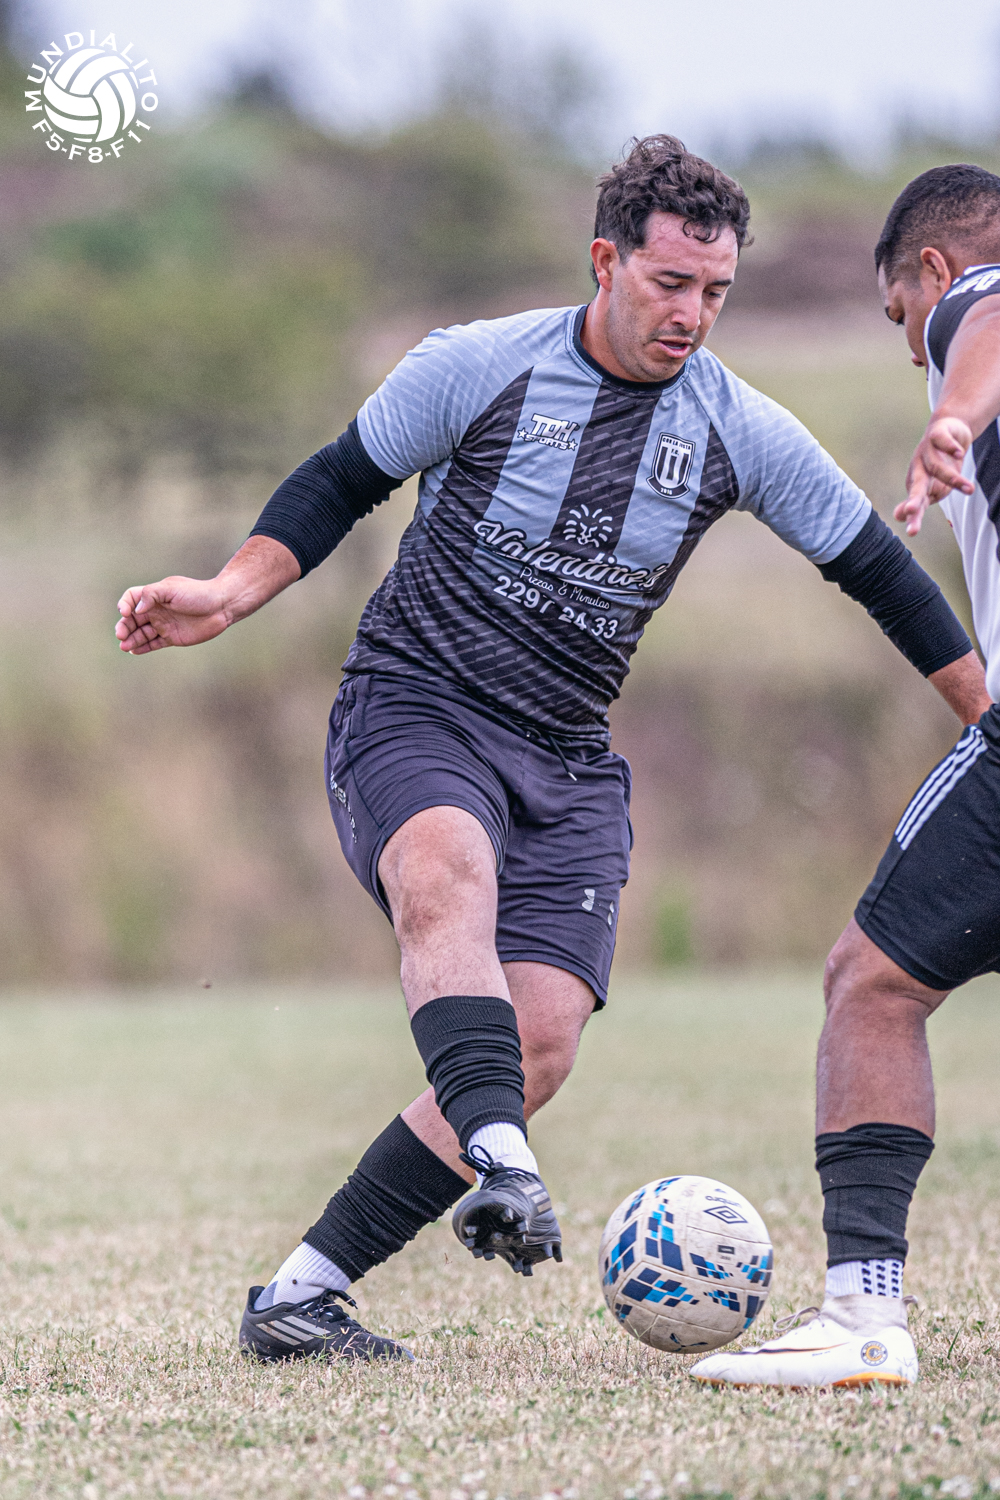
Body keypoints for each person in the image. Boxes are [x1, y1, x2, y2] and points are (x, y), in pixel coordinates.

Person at [115, 137, 986, 1365]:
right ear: (604, 261)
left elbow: (882, 578)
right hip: (416, 707)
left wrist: (984, 717)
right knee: (447, 882)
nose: (691, 314)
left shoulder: (737, 427)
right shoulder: (478, 366)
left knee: (538, 1041)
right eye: (669, 283)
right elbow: (336, 482)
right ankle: (506, 1162)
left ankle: (302, 1295)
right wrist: (225, 592)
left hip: (568, 760)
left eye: (715, 291)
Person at [691, 163, 1000, 1391]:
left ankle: (863, 1317)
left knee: (870, 983)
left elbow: (989, 313)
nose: (907, 345)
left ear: (931, 269)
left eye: (898, 317)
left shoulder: (970, 299)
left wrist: (953, 419)